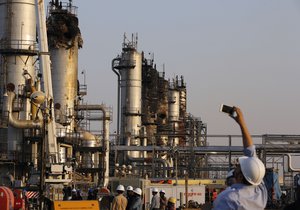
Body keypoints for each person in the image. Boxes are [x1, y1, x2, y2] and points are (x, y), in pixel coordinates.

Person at [213, 106, 267, 210]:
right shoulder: (261, 192)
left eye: (239, 166)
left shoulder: (228, 198)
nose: (236, 165)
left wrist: (242, 123)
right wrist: (241, 123)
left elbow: (251, 154)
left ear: (241, 177)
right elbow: (251, 153)